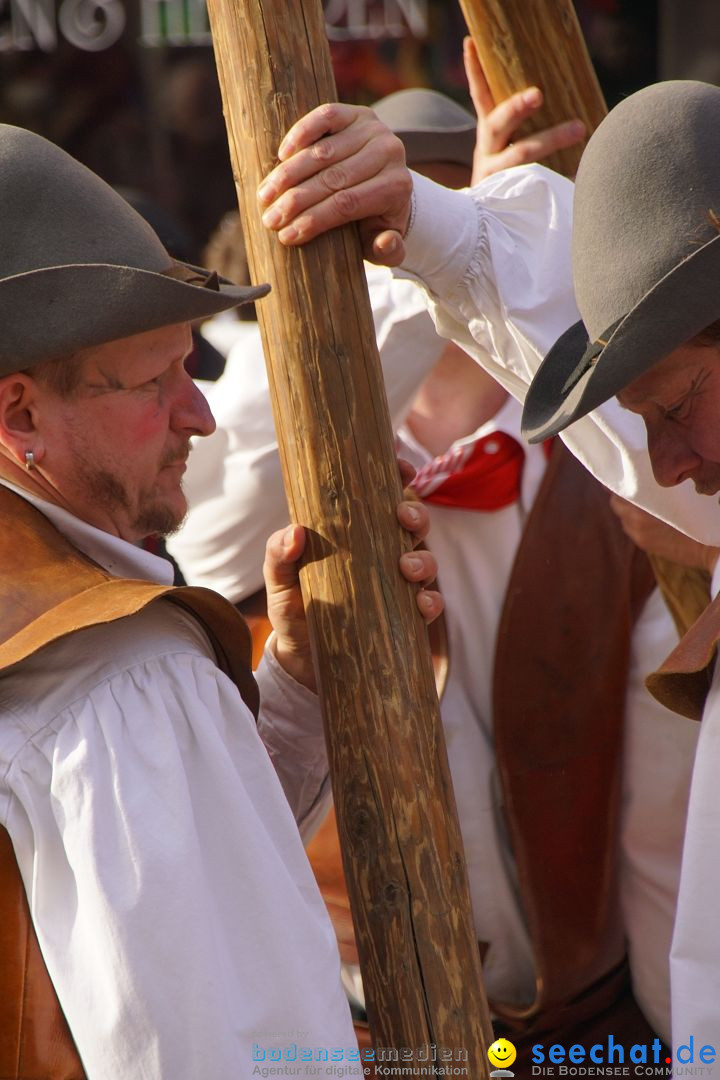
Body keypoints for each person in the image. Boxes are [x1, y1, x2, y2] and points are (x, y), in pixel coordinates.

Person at [173, 64, 696, 1050]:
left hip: (591, 1037)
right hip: (350, 1036)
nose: (383, 251)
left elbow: (668, 836)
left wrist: (677, 1042)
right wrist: (432, 264)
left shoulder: (626, 484)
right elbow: (203, 527)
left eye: (394, 223)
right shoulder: (279, 477)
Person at [0, 122, 441, 1079]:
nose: (199, 411)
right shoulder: (123, 679)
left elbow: (180, 887)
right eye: (159, 380)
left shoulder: (115, 681)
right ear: (21, 414)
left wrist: (296, 687)